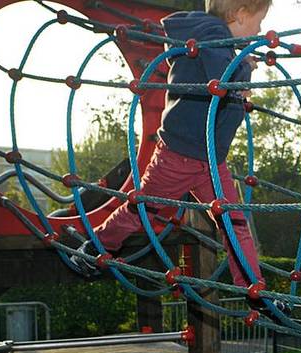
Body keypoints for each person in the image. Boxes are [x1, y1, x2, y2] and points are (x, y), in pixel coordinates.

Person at [72, 0, 269, 288]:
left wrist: (240, 68)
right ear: (240, 15)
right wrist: (245, 67)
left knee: (234, 222)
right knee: (143, 209)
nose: (260, 30)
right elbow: (221, 80)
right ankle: (95, 247)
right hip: (180, 156)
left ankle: (253, 287)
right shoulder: (212, 35)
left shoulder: (216, 42)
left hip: (210, 160)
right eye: (258, 22)